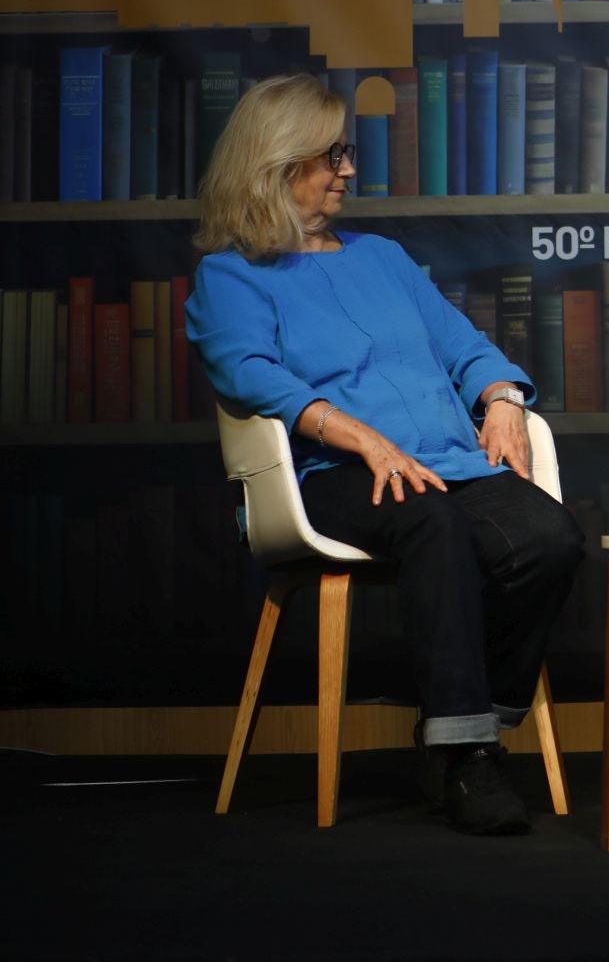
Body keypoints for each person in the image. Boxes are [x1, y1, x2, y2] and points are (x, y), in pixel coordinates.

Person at [185, 73, 584, 837]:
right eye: (330, 155)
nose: (347, 169)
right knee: (431, 521)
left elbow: (465, 347)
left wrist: (502, 398)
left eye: (345, 152)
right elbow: (247, 372)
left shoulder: (385, 257)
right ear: (277, 164)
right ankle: (471, 760)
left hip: (445, 462)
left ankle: (469, 729)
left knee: (550, 538)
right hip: (331, 478)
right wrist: (362, 436)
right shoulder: (228, 275)